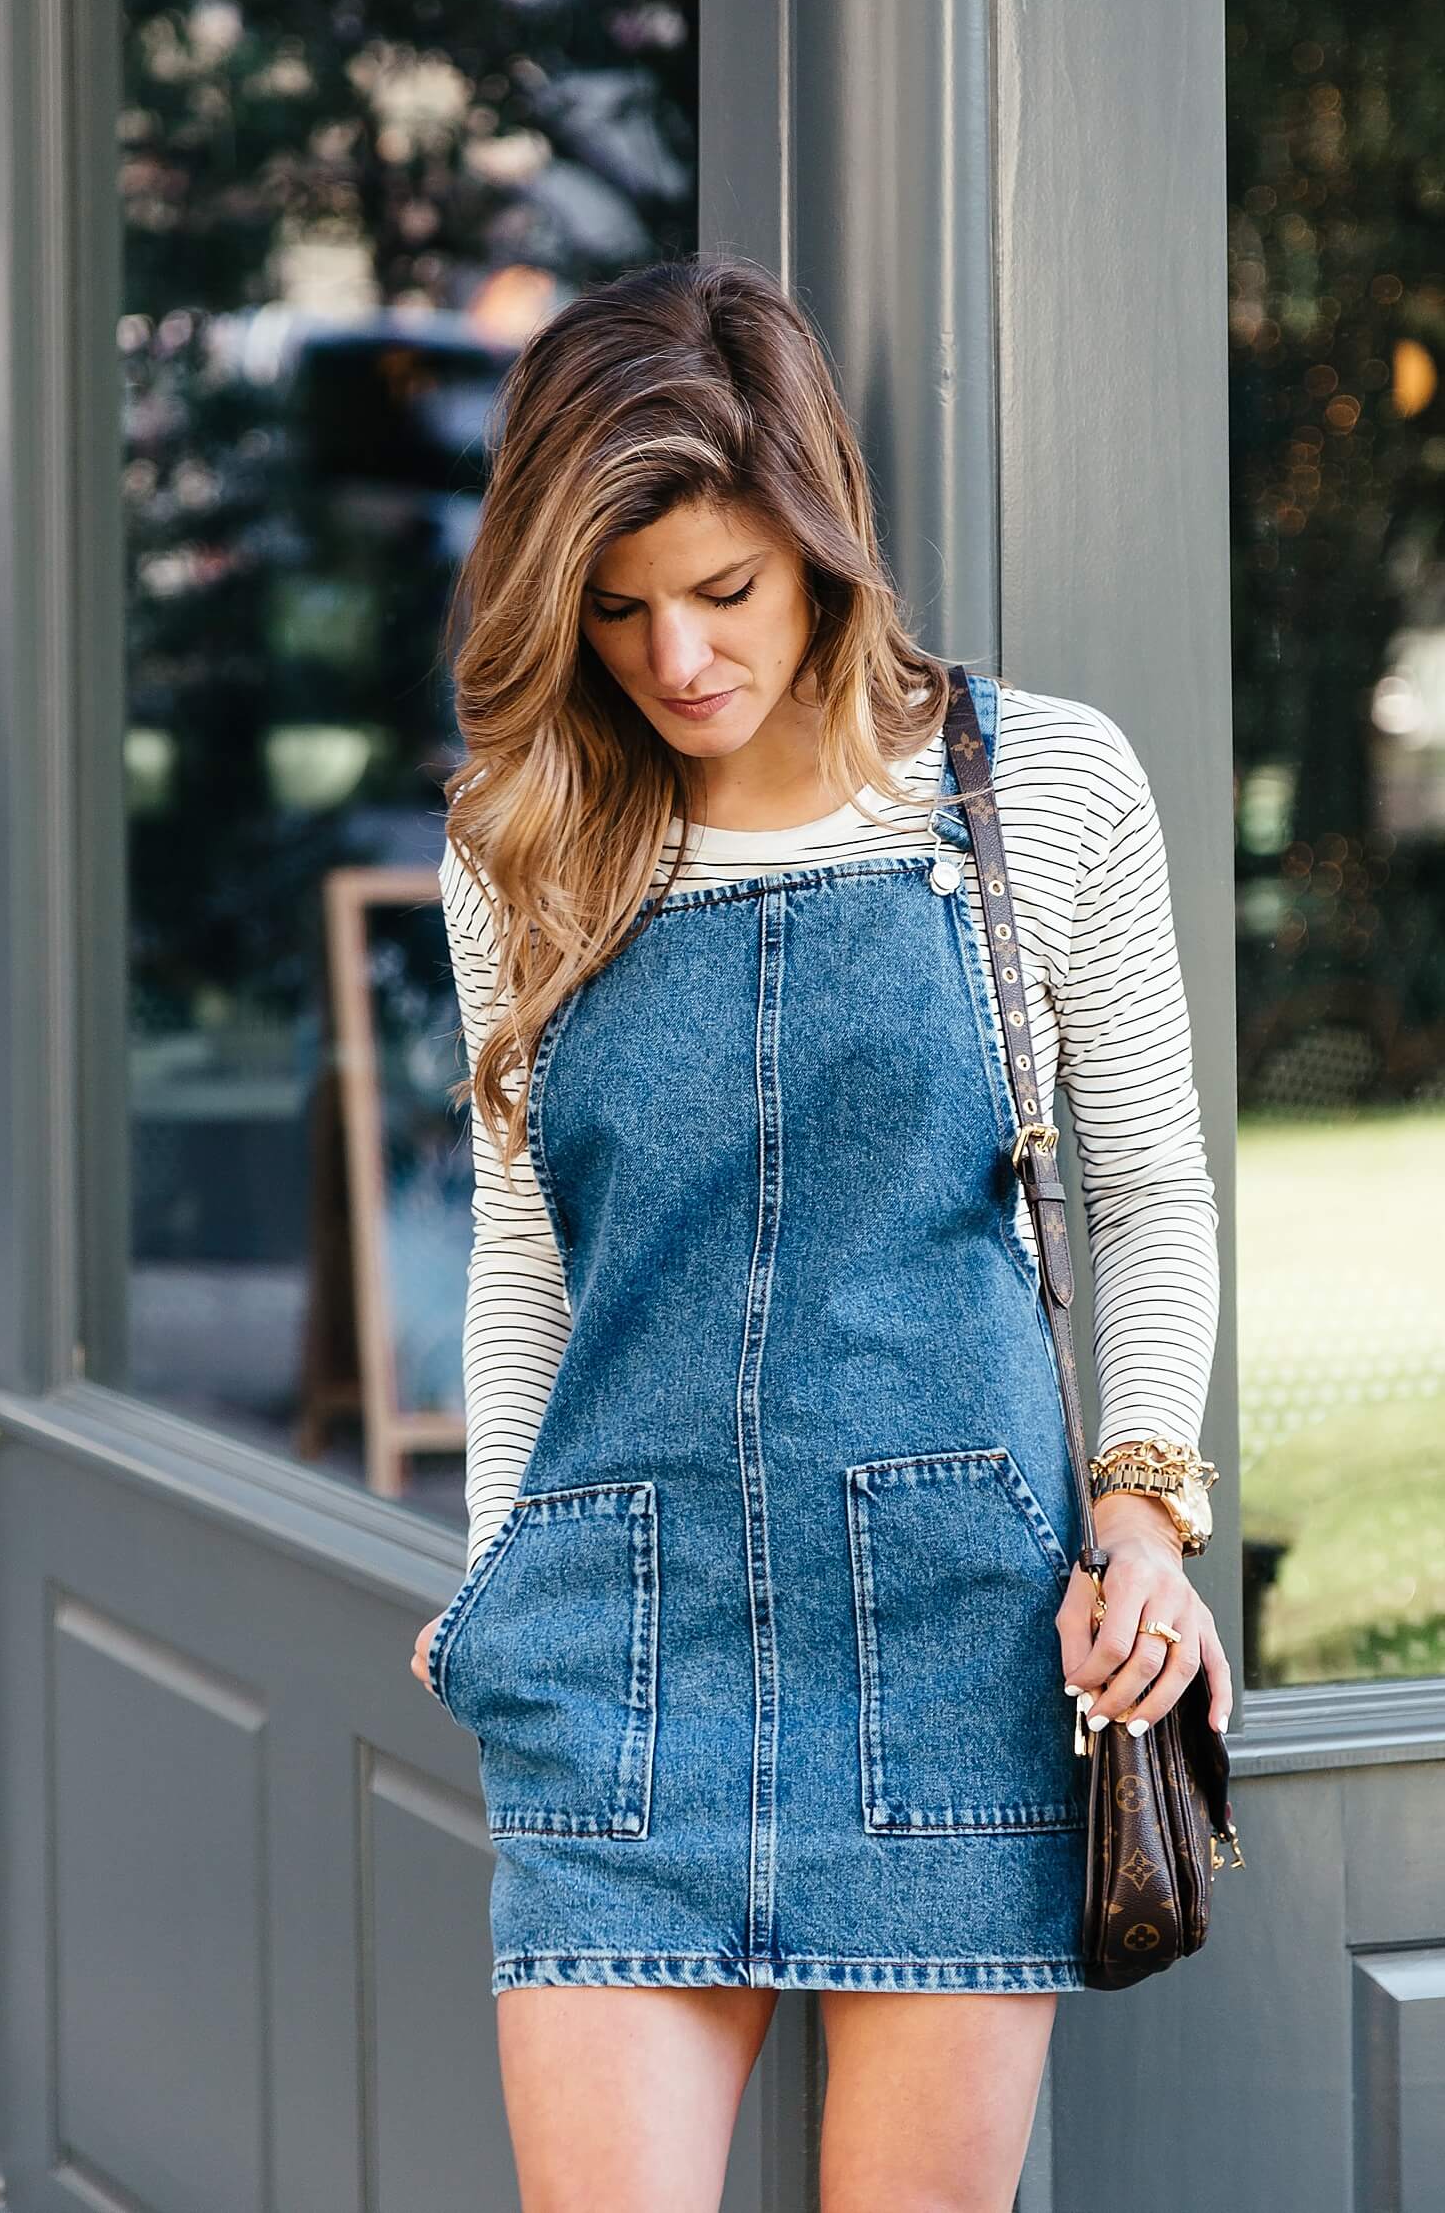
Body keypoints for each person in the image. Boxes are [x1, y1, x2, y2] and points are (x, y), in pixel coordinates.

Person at [410, 252, 1232, 2213]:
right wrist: (491, 1575)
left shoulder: (1037, 792)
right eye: (614, 615)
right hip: (611, 1639)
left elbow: (1149, 1188)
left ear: (818, 543)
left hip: (955, 1629)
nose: (674, 659)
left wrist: (1137, 1507)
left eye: (721, 593)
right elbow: (527, 1258)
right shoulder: (516, 846)